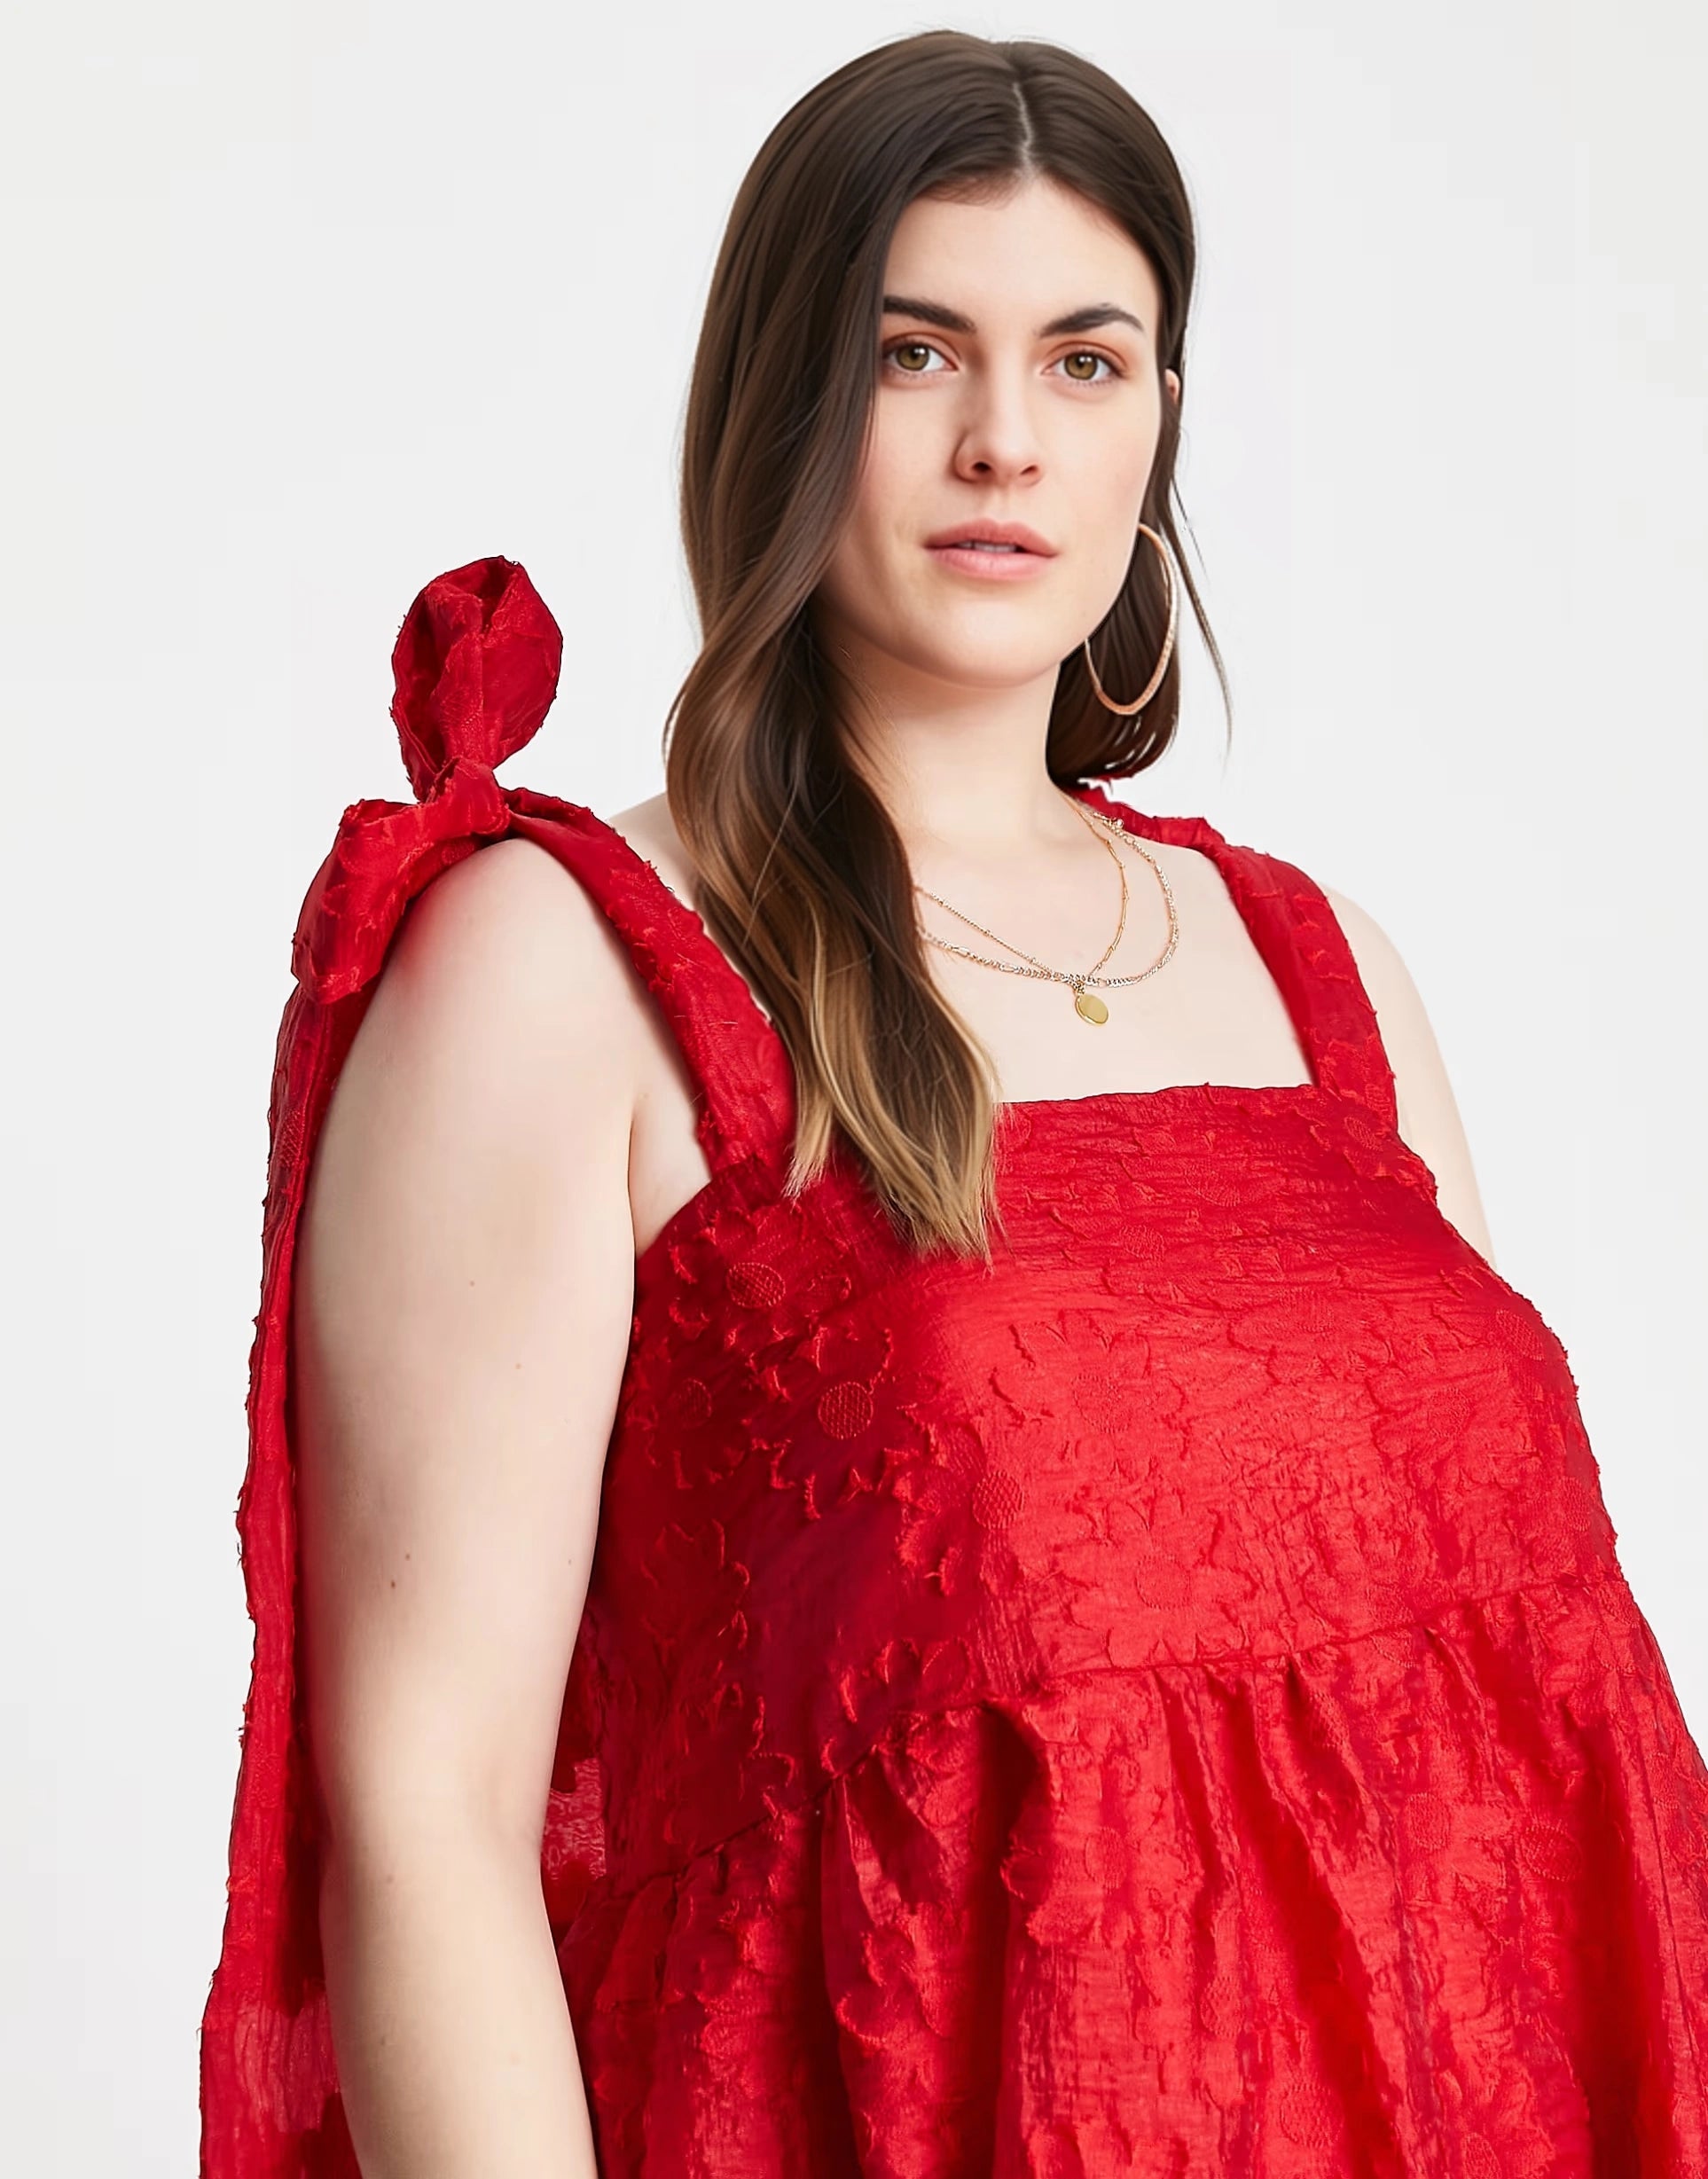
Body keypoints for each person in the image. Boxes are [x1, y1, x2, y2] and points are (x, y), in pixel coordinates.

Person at [199, 27, 1708, 2178]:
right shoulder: (561, 961)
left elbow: (1540, 1752)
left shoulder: (1324, 966)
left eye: (1085, 361)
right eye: (916, 353)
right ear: (784, 399)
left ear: (1159, 417)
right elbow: (427, 1813)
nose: (1006, 438)